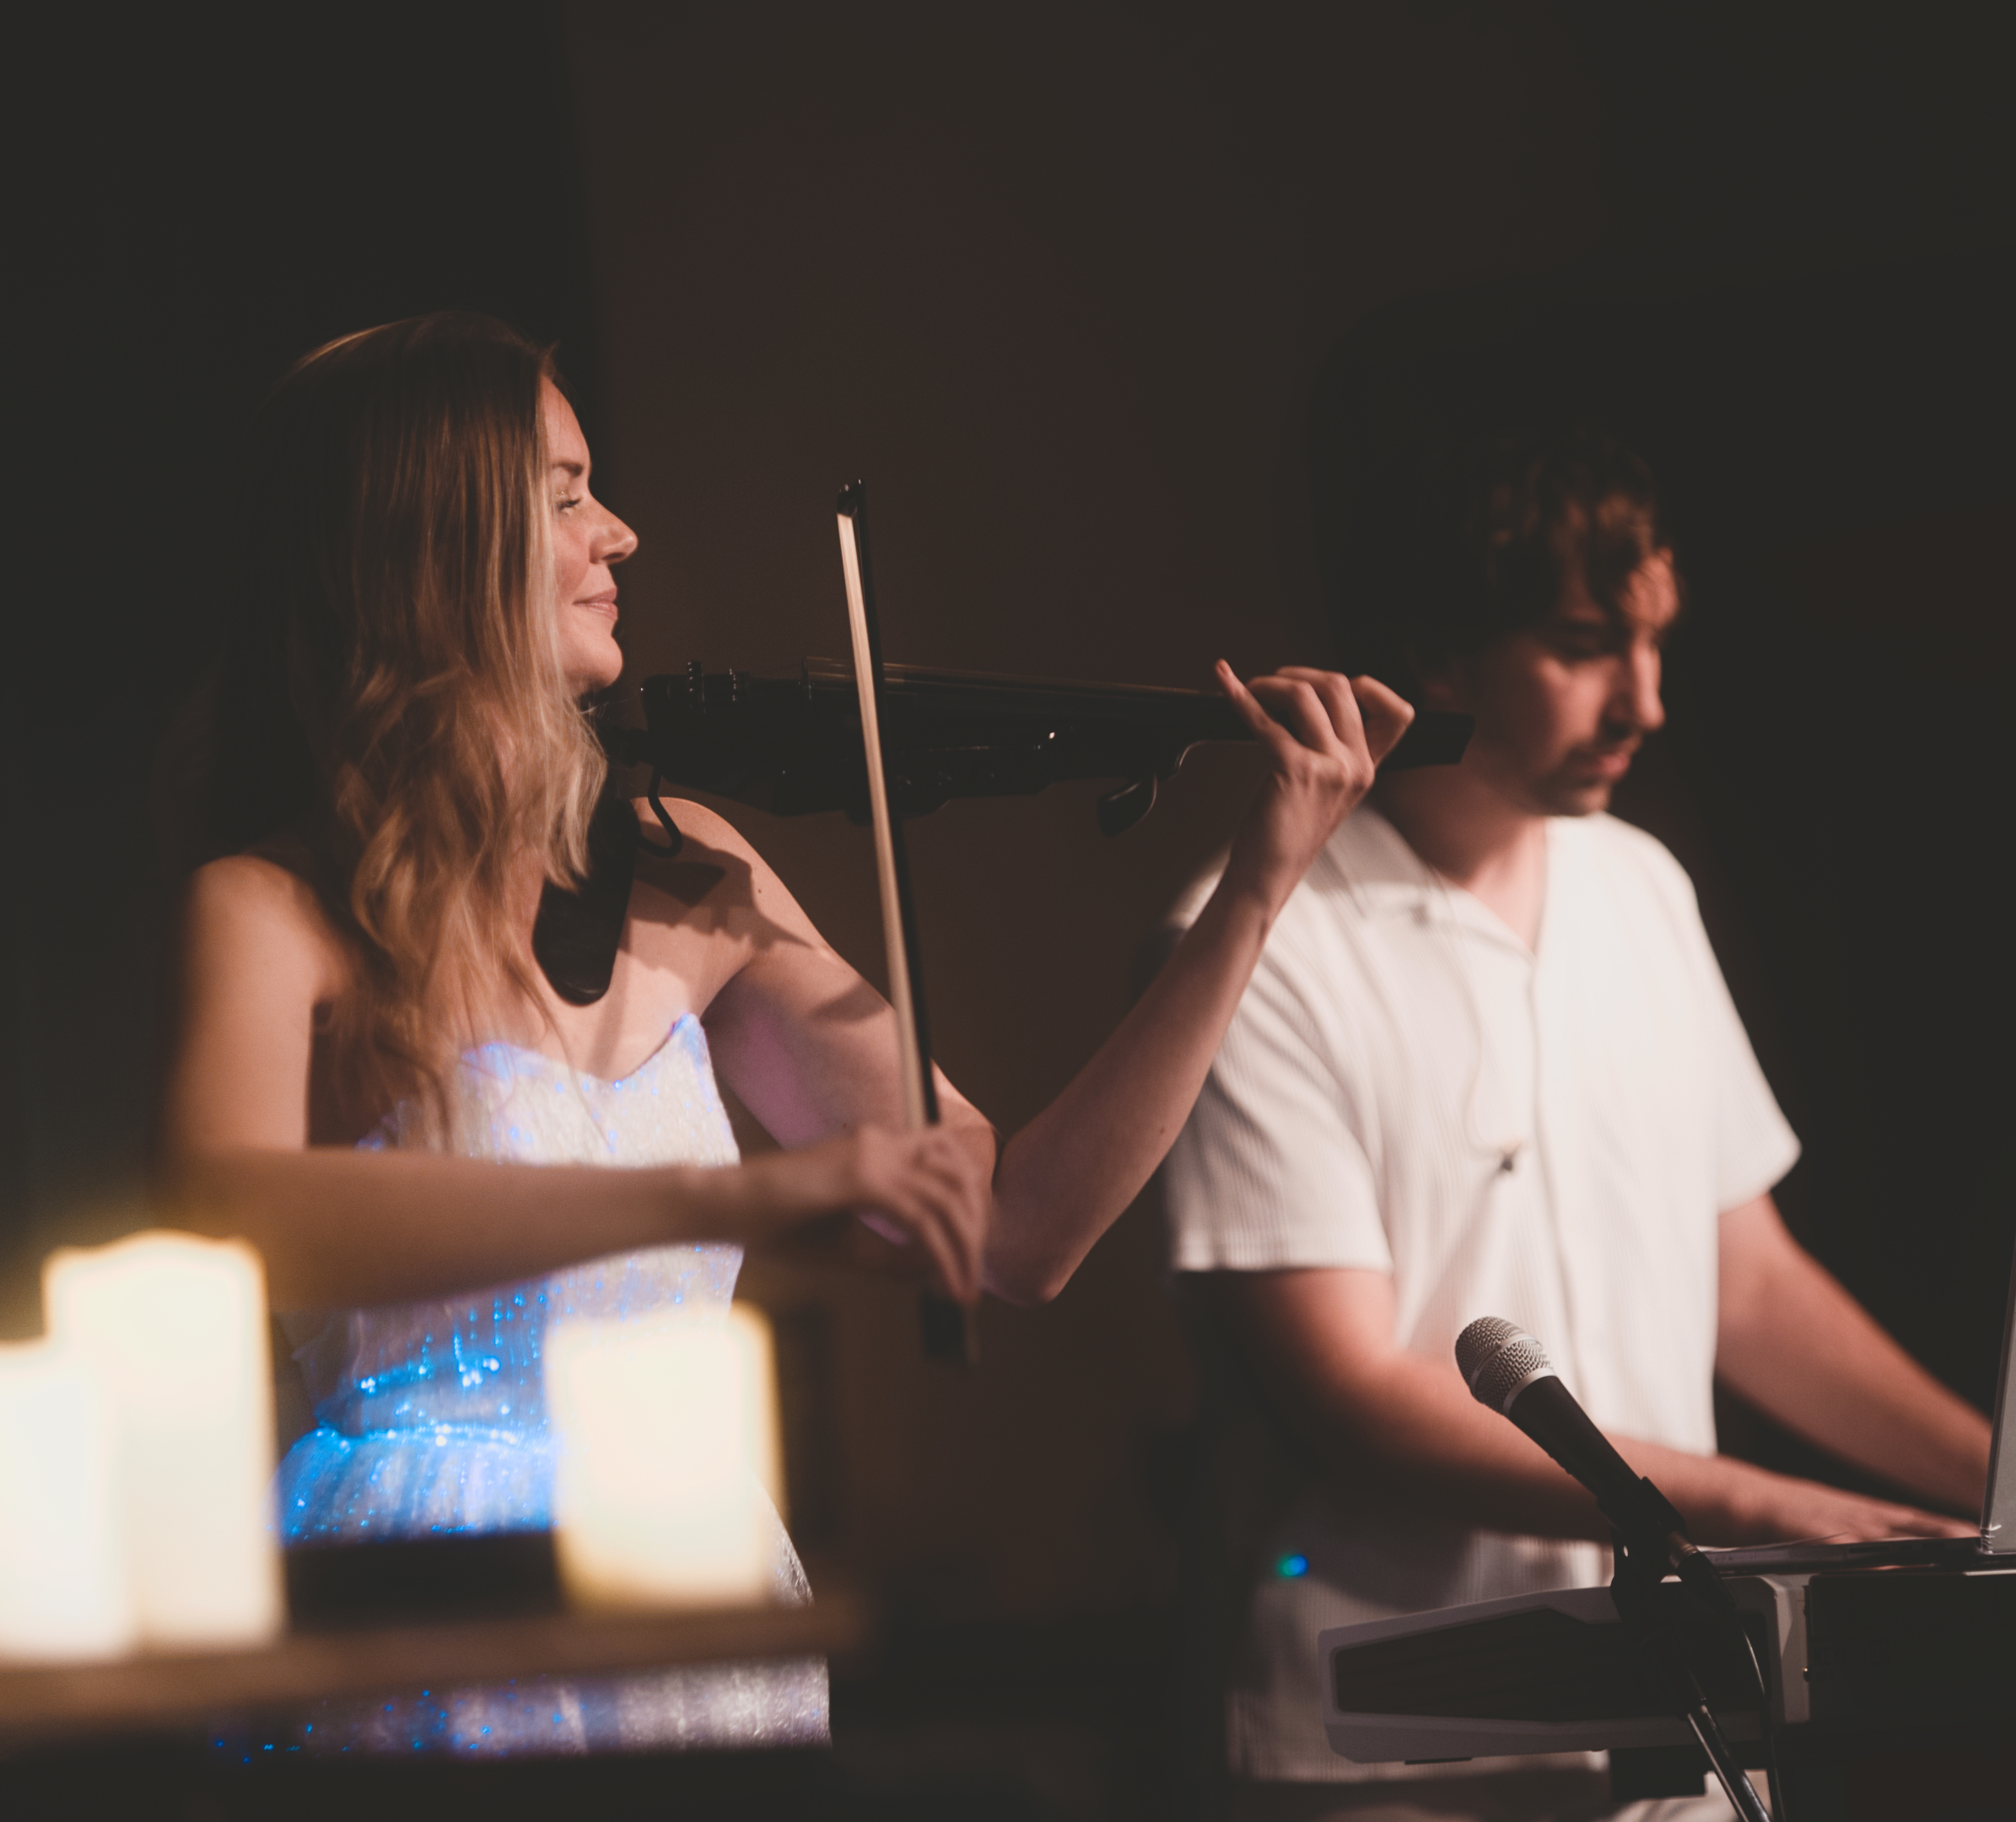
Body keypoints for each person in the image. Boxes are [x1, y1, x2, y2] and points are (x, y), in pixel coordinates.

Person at [153, 310, 1412, 1755]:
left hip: (690, 1577)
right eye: (564, 498)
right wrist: (726, 1193)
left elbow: (1015, 1232)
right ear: (427, 544)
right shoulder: (270, 906)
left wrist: (1256, 891)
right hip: (422, 1601)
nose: (618, 534)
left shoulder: (690, 870)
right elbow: (227, 1209)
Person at [1160, 423, 1992, 1820]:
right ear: (1437, 651)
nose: (1644, 702)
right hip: (1394, 1742)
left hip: (1681, 1707)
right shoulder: (1254, 939)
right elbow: (1347, 1389)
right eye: (1582, 644)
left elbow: (1751, 1282)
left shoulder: (1639, 888)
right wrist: (1758, 1507)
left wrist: (1992, 1488)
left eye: (1653, 645)